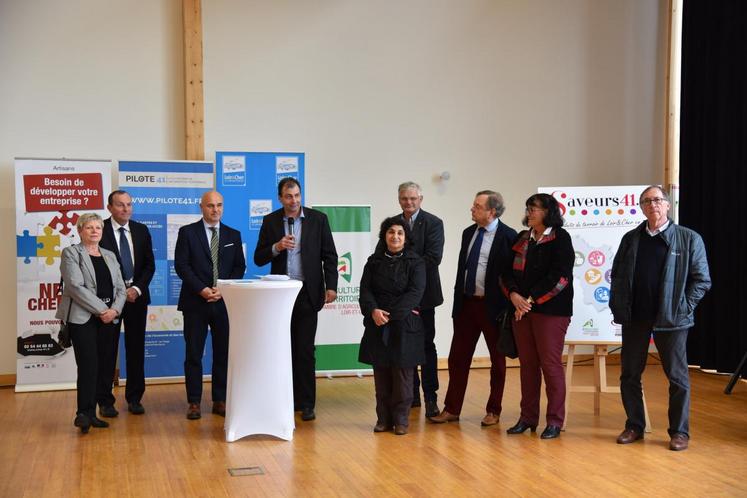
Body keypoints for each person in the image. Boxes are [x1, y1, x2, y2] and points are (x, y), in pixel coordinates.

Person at [610, 185, 711, 451]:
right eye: (646, 201)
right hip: (635, 318)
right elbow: (617, 276)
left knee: (677, 378)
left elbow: (702, 280)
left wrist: (683, 307)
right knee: (629, 375)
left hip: (672, 319)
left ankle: (679, 432)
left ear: (667, 205)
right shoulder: (630, 239)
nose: (652, 204)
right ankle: (634, 426)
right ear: (641, 208)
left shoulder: (689, 238)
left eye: (657, 200)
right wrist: (618, 306)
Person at [254, 178, 338, 422]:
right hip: (280, 294)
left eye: (297, 195)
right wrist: (277, 247)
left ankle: (306, 403)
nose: (294, 201)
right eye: (289, 196)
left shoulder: (318, 219)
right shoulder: (270, 221)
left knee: (305, 350)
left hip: (307, 292)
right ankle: (285, 399)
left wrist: (331, 286)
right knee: (282, 349)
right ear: (280, 198)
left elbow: (330, 256)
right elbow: (259, 257)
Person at [430, 191, 517, 426]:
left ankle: (493, 410)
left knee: (497, 361)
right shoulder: (468, 232)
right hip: (466, 305)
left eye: (477, 206)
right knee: (457, 358)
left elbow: (511, 274)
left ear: (492, 211)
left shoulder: (509, 236)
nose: (472, 209)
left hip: (494, 308)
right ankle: (452, 409)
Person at [500, 193, 574, 440]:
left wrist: (529, 300)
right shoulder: (523, 238)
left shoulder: (561, 238)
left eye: (534, 208)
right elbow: (505, 272)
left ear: (548, 212)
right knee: (528, 366)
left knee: (550, 366)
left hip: (550, 312)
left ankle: (554, 421)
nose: (529, 212)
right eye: (528, 208)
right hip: (520, 309)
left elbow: (561, 277)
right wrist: (514, 296)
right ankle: (528, 418)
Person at [175, 191, 246, 420]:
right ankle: (194, 402)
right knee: (193, 354)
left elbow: (239, 267)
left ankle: (220, 400)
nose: (215, 210)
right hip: (195, 302)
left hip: (224, 302)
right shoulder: (187, 233)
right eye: (210, 205)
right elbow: (182, 266)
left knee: (222, 353)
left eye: (219, 205)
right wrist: (202, 289)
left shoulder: (233, 234)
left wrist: (223, 289)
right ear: (201, 207)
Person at [377, 181, 444, 418]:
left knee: (426, 346)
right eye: (404, 198)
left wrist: (404, 272)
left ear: (420, 200)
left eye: (413, 199)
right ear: (399, 200)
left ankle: (431, 397)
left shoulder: (434, 223)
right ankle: (411, 395)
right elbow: (381, 255)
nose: (409, 202)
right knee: (403, 346)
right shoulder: (392, 224)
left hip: (424, 297)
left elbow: (433, 258)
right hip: (395, 300)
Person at [57, 213, 126, 433]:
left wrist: (115, 310)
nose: (94, 231)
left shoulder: (110, 255)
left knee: (105, 366)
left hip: (109, 318)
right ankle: (84, 414)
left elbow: (121, 288)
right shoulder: (71, 253)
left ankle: (95, 412)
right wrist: (102, 310)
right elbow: (75, 287)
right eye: (89, 227)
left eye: (98, 227)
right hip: (83, 319)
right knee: (88, 366)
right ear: (80, 231)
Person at [359, 217, 426, 435]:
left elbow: (415, 293)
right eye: (391, 232)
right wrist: (374, 310)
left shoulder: (416, 262)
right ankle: (383, 419)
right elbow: (365, 290)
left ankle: (401, 421)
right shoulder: (373, 261)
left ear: (405, 238)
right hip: (377, 322)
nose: (395, 236)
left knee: (402, 376)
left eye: (399, 233)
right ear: (384, 236)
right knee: (381, 375)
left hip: (404, 324)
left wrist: (391, 314)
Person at [97, 190, 155, 416]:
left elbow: (149, 265)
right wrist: (121, 292)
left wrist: (136, 288)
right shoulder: (99, 229)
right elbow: (97, 267)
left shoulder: (141, 230)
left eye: (129, 204)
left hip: (136, 298)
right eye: (120, 205)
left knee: (136, 349)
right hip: (110, 301)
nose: (126, 209)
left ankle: (135, 398)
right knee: (107, 350)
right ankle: (105, 401)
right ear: (109, 207)